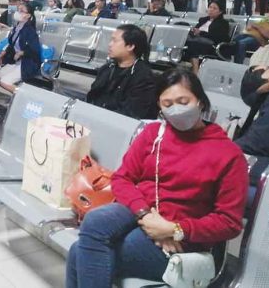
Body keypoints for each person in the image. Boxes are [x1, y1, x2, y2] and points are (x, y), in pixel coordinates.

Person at [67, 68, 247, 288]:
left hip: (183, 240)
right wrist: (147, 217)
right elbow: (123, 178)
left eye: (183, 101)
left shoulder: (228, 154)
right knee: (95, 222)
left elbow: (229, 222)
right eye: (167, 104)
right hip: (143, 211)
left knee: (79, 252)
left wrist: (174, 229)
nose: (176, 109)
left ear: (200, 100)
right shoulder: (154, 134)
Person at [86, 25, 158, 120]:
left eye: (115, 41)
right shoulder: (107, 68)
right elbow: (91, 97)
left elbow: (132, 113)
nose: (110, 44)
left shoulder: (143, 76)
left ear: (130, 46)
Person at [235, 46, 269, 187]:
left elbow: (258, 143)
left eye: (258, 69)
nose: (252, 75)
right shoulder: (267, 98)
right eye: (251, 70)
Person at [0, 3, 41, 93]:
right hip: (16, 61)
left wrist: (21, 53)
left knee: (4, 81)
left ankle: (24, 96)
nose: (18, 13)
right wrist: (2, 54)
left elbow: (34, 50)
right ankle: (16, 95)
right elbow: (12, 44)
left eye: (21, 11)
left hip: (28, 63)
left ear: (28, 15)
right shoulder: (17, 28)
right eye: (18, 10)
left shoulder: (30, 31)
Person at [184, 1, 231, 74]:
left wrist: (201, 33)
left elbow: (219, 37)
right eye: (210, 7)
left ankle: (195, 72)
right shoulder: (203, 20)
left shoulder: (223, 23)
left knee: (193, 45)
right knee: (185, 38)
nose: (211, 9)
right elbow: (196, 29)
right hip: (197, 40)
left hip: (211, 45)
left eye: (214, 8)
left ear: (220, 12)